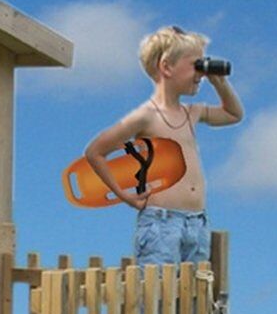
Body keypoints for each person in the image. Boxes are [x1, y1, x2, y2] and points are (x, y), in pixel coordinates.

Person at [82, 25, 242, 266]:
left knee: (193, 300)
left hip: (197, 222)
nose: (200, 73)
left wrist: (219, 83)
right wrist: (125, 196)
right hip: (161, 222)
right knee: (156, 295)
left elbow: (233, 114)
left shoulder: (193, 113)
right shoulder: (145, 117)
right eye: (195, 65)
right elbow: (95, 152)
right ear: (166, 67)